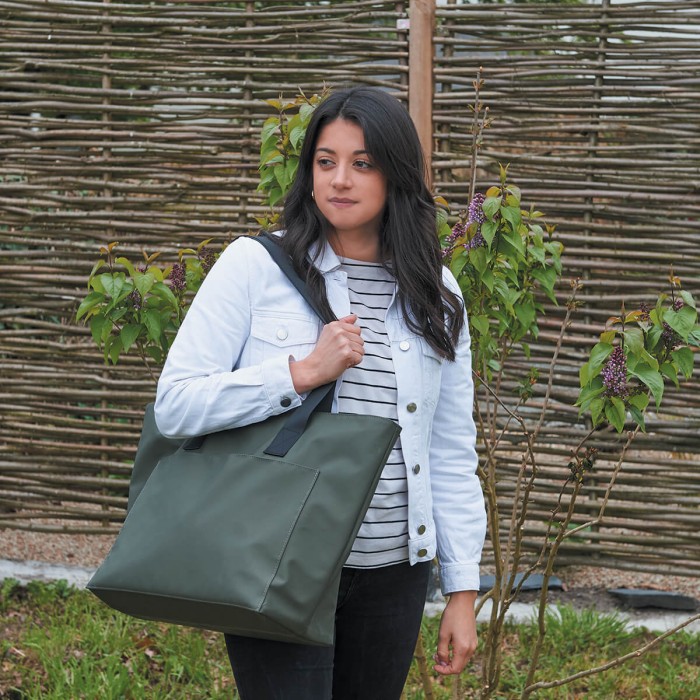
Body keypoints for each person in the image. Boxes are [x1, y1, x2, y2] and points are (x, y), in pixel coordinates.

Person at [154, 86, 486, 700]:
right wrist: (299, 373)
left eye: (363, 163)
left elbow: (449, 450)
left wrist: (462, 589)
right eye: (325, 161)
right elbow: (176, 404)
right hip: (278, 556)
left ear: (396, 175)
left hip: (395, 573)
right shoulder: (254, 267)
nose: (340, 179)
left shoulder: (435, 292)